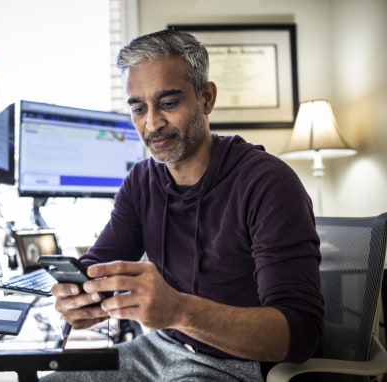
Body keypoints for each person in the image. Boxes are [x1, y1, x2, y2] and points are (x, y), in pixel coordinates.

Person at [41, 29, 324, 382]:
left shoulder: (268, 183)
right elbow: (100, 264)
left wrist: (178, 309)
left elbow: (301, 333)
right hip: (157, 348)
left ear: (206, 98)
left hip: (237, 364)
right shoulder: (141, 180)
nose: (152, 123)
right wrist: (79, 298)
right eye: (139, 108)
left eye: (169, 103)